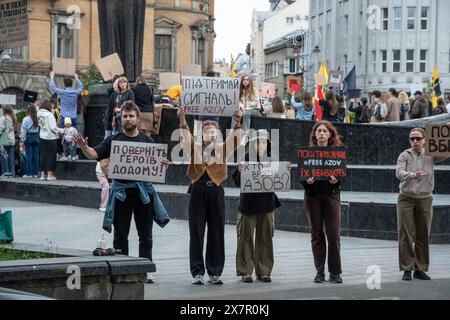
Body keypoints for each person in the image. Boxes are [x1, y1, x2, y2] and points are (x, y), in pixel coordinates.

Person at [74, 101, 170, 284]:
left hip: (143, 193)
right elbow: (94, 154)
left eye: (131, 115)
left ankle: (146, 268)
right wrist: (83, 147)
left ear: (137, 118)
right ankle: (122, 268)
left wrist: (163, 164)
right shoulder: (113, 140)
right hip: (121, 194)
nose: (128, 119)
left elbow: (158, 163)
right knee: (120, 234)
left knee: (146, 234)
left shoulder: (147, 141)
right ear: (121, 119)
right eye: (125, 116)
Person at [177, 106, 243, 285]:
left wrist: (237, 120)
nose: (211, 135)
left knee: (216, 231)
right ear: (202, 135)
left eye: (214, 132)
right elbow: (186, 138)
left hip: (216, 191)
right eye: (208, 132)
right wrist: (182, 119)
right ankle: (197, 272)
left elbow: (234, 140)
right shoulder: (195, 147)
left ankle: (215, 272)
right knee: (196, 232)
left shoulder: (222, 149)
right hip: (197, 190)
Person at [232, 130, 287, 283]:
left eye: (263, 142)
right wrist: (240, 171)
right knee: (245, 237)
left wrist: (285, 171)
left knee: (265, 238)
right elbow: (236, 182)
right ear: (252, 144)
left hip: (267, 205)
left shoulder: (273, 160)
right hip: (248, 205)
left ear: (268, 144)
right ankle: (245, 271)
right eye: (257, 142)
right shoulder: (245, 159)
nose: (260, 145)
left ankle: (264, 271)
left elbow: (280, 180)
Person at [396, 127, 448, 281]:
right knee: (405, 233)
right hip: (405, 198)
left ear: (425, 140)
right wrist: (412, 175)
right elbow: (398, 172)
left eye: (418, 138)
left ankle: (420, 268)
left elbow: (445, 151)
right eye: (412, 138)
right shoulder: (404, 155)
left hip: (425, 198)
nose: (415, 141)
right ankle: (407, 268)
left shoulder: (432, 154)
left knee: (423, 234)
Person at [302, 121, 344, 284]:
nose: (321, 134)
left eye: (324, 131)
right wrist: (307, 181)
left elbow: (343, 174)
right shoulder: (307, 153)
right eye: (318, 131)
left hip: (331, 195)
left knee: (333, 235)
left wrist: (336, 180)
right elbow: (302, 175)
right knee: (316, 234)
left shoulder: (337, 153)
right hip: (312, 196)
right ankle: (320, 271)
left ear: (330, 135)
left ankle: (335, 272)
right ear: (314, 135)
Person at [37, 100, 62, 181]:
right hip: (51, 138)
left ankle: (42, 175)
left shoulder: (39, 114)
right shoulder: (49, 115)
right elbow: (53, 128)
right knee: (51, 156)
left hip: (42, 137)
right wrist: (62, 130)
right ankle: (50, 175)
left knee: (43, 156)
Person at [20, 104, 40, 178]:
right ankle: (35, 173)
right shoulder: (37, 118)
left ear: (28, 110)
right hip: (36, 136)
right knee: (36, 156)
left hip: (29, 137)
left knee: (29, 156)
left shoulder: (26, 119)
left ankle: (29, 173)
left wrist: (22, 140)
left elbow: (23, 130)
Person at [0, 105, 16, 178]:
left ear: (4, 111)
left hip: (4, 140)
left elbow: (1, 129)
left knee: (4, 157)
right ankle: (12, 173)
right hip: (12, 140)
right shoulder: (13, 118)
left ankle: (6, 172)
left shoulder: (3, 118)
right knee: (11, 157)